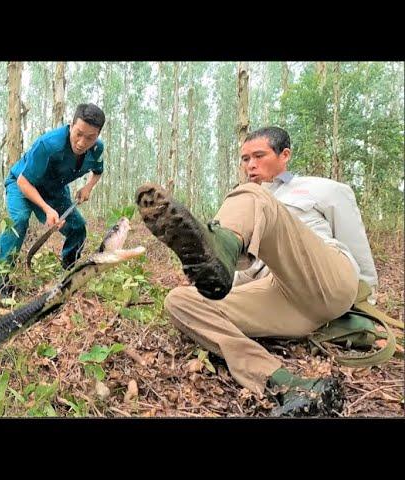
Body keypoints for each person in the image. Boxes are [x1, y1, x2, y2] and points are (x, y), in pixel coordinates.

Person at [135, 126, 378, 417]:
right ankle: (283, 382)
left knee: (253, 196)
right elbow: (238, 277)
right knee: (179, 300)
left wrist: (369, 313)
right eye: (245, 158)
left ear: (284, 155)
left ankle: (221, 245)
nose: (250, 165)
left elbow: (357, 251)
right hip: (283, 299)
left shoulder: (323, 189)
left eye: (258, 156)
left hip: (326, 280)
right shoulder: (244, 203)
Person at [0, 103, 106, 296]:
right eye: (78, 133)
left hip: (54, 190)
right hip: (21, 183)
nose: (82, 142)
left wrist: (88, 187)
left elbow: (97, 171)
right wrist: (47, 210)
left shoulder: (96, 149)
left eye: (89, 137)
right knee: (18, 221)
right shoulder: (49, 145)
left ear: (97, 136)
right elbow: (23, 181)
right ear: (71, 126)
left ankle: (67, 274)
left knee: (77, 227)